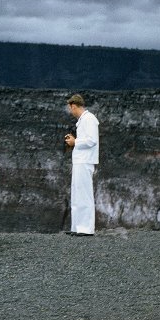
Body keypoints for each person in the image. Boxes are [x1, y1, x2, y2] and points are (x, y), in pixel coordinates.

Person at [64, 94, 99, 236]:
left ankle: (86, 228)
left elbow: (91, 140)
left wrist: (75, 142)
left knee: (84, 194)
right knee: (78, 194)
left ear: (73, 106)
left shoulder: (89, 119)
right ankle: (77, 227)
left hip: (85, 161)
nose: (70, 112)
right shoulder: (84, 120)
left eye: (70, 108)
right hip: (80, 161)